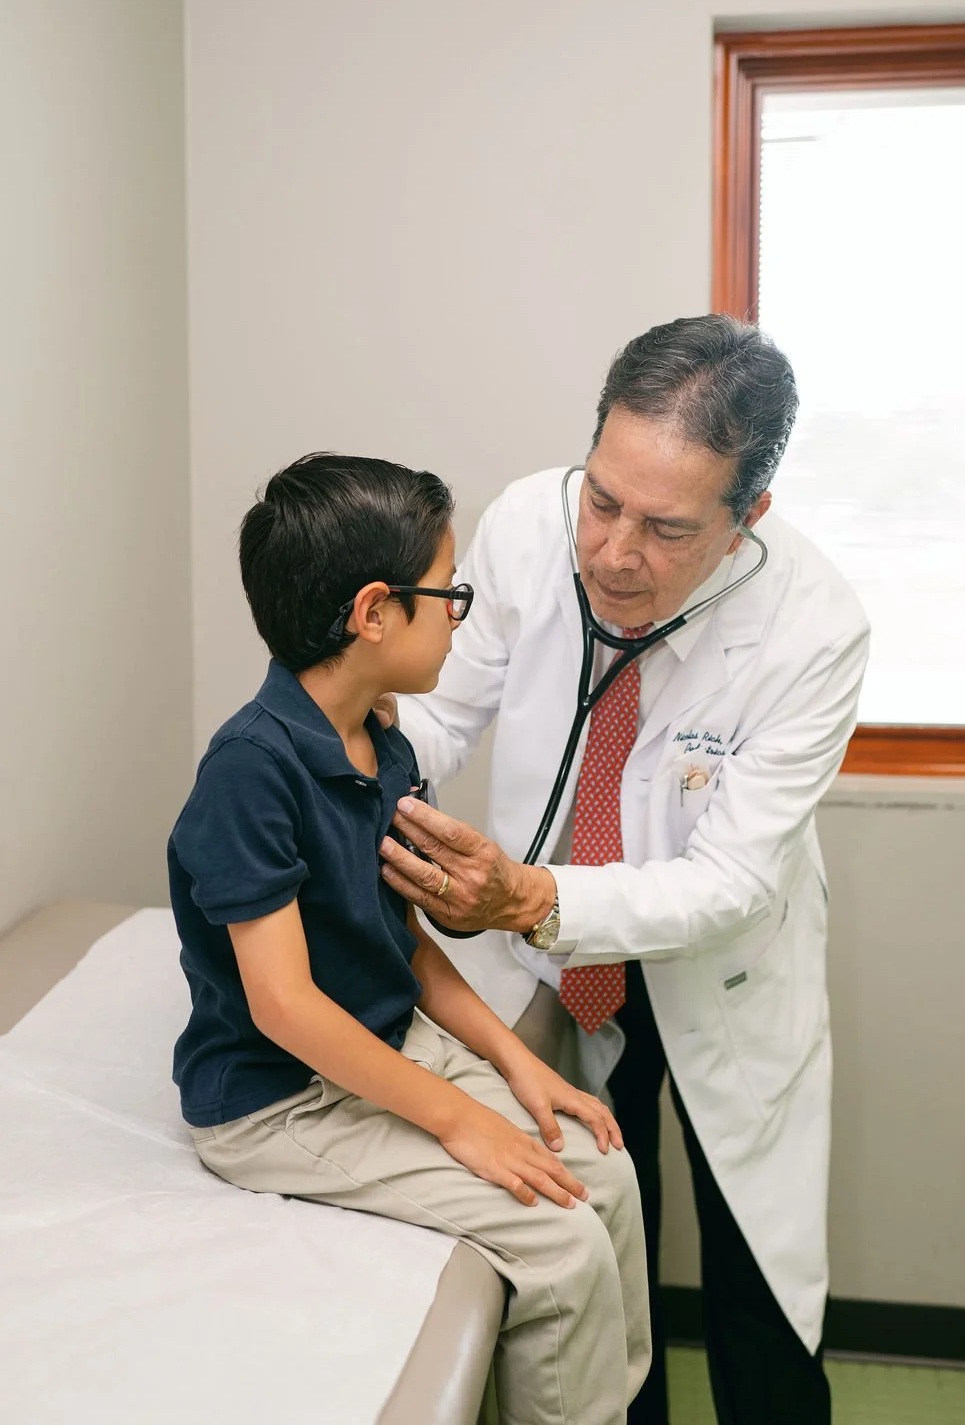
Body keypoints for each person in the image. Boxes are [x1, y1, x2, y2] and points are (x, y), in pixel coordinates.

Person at [378, 316, 871, 1425]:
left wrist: (534, 896)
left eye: (665, 528)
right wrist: (338, 764)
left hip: (716, 975)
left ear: (749, 518)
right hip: (555, 964)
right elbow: (445, 712)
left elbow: (733, 881)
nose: (611, 553)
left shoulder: (813, 627)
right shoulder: (523, 527)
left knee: (757, 1280)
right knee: (603, 1235)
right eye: (602, 501)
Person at [167, 452, 652, 1425]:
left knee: (604, 1175)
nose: (460, 616)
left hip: (383, 1046)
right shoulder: (252, 772)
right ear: (375, 612)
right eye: (449, 593)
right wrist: (457, 1119)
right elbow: (284, 1005)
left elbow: (407, 943)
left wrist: (517, 1066)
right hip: (279, 1103)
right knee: (555, 1243)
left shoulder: (379, 743)